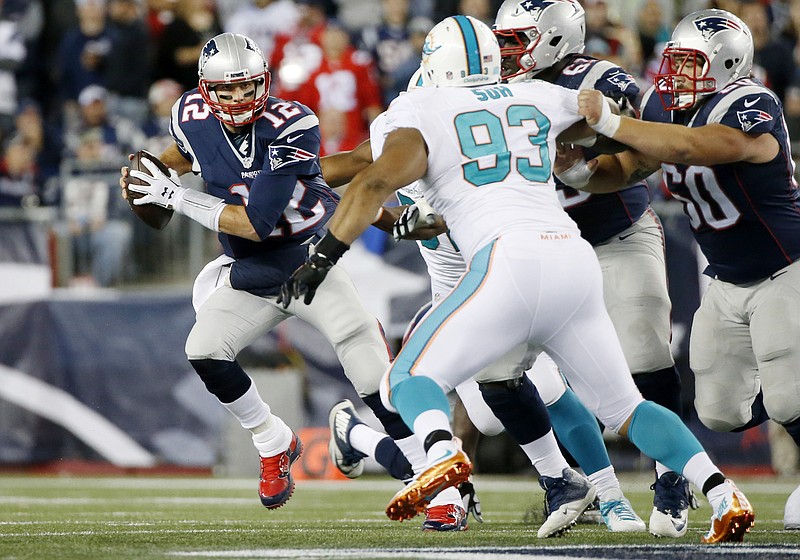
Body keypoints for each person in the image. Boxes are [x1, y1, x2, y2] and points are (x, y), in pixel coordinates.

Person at [280, 14, 755, 544]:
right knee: (625, 407)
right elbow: (612, 127)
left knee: (405, 381)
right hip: (571, 259)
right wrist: (604, 162)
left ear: (434, 64)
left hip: (506, 260)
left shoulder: (418, 107)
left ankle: (442, 455)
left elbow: (370, 182)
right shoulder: (536, 95)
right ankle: (719, 489)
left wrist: (320, 258)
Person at [118, 32, 461, 521]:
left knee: (375, 384)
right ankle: (273, 440)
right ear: (205, 90)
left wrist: (174, 197)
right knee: (205, 351)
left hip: (309, 263)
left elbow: (256, 224)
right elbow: (185, 151)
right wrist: (150, 173)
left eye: (247, 87)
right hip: (253, 273)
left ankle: (442, 492)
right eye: (228, 90)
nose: (239, 99)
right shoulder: (190, 115)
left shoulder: (291, 122)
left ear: (265, 82)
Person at [322, 67, 646, 534]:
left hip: (500, 287)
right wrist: (383, 217)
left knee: (542, 389)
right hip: (460, 300)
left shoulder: (478, 143)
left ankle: (598, 494)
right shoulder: (405, 144)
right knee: (443, 414)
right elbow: (350, 179)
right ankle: (367, 441)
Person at [556, 7, 800, 533]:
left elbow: (706, 146)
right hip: (726, 278)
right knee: (719, 412)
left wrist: (611, 121)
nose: (674, 75)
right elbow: (628, 169)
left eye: (690, 63)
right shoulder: (666, 105)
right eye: (673, 61)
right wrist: (579, 170)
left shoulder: (751, 102)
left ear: (728, 63)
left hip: (785, 266)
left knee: (787, 395)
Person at [491, 0, 695, 538]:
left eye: (517, 40)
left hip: (613, 234)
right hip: (539, 250)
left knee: (647, 353)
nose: (505, 51)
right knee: (503, 372)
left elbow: (658, 131)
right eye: (503, 40)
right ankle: (565, 481)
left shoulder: (596, 78)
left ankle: (673, 478)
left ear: (555, 38)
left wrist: (591, 156)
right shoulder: (486, 83)